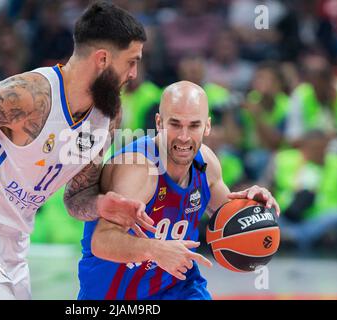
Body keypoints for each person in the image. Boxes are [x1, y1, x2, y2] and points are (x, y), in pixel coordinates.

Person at [0, 1, 154, 300]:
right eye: (131, 61)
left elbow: (75, 200)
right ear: (102, 59)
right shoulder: (28, 97)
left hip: (15, 247)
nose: (134, 74)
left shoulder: (107, 116)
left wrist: (102, 205)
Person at [78, 81, 280, 300]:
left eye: (194, 125)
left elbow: (228, 221)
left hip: (179, 288)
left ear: (207, 126)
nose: (184, 136)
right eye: (175, 124)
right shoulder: (139, 169)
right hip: (115, 295)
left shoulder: (207, 164)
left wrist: (254, 209)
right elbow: (101, 242)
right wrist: (155, 250)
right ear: (159, 123)